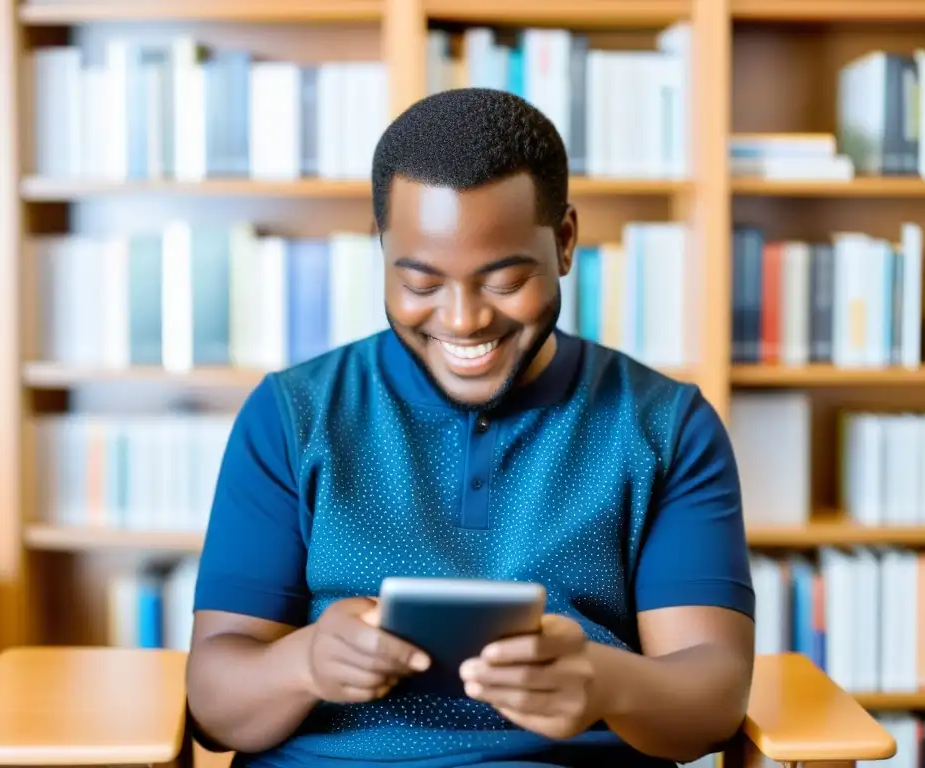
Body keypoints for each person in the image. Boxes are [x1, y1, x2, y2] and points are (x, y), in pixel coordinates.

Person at [186, 87, 755, 768]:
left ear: (565, 241)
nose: (463, 320)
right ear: (382, 250)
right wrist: (303, 663)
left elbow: (714, 700)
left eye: (504, 280)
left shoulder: (665, 427)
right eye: (423, 285)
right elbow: (214, 707)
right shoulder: (293, 416)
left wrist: (607, 683)